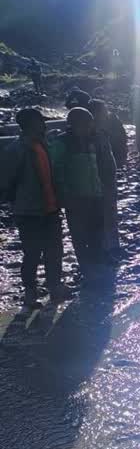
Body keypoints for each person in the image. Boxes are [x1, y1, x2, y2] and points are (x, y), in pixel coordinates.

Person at [0, 109, 70, 306]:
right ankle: (30, 293)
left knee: (55, 250)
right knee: (32, 253)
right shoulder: (16, 150)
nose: (45, 124)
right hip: (29, 211)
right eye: (41, 121)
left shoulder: (43, 144)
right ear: (31, 123)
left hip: (50, 208)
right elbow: (5, 180)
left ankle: (55, 286)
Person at [49, 108, 109, 280]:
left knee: (97, 231)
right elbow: (55, 170)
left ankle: (97, 262)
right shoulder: (62, 143)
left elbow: (96, 166)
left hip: (95, 194)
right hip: (75, 197)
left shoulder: (91, 141)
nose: (91, 126)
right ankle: (86, 267)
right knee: (79, 235)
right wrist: (64, 194)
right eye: (87, 123)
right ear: (75, 123)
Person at [87, 100, 122, 259]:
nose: (107, 114)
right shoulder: (90, 136)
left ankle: (113, 248)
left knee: (111, 215)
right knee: (104, 218)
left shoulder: (102, 132)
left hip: (109, 181)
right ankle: (106, 250)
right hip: (99, 184)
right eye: (104, 111)